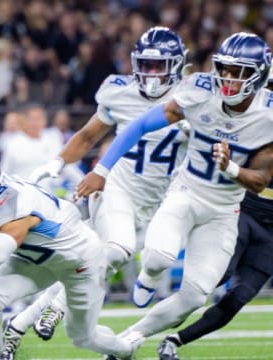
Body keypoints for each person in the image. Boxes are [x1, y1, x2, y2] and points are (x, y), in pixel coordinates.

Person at [75, 32, 273, 359]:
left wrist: (231, 169)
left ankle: (129, 338)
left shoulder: (267, 115)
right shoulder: (199, 91)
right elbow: (139, 126)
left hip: (225, 212)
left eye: (239, 72)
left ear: (259, 75)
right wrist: (103, 169)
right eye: (224, 69)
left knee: (195, 296)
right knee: (157, 258)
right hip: (186, 193)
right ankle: (148, 277)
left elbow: (261, 179)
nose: (228, 78)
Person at [2, 27, 190, 357]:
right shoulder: (119, 91)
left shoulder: (193, 97)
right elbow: (88, 137)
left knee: (95, 259)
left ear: (177, 65)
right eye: (145, 65)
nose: (151, 73)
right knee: (116, 250)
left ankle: (20, 321)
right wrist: (57, 162)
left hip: (163, 201)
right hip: (117, 187)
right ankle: (57, 306)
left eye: (159, 66)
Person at [0, 143, 144, 360]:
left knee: (82, 336)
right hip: (35, 259)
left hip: (79, 263)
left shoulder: (14, 206)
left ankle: (126, 348)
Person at [156, 72, 273, 360]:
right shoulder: (262, 117)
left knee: (240, 297)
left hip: (271, 234)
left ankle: (174, 340)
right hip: (247, 208)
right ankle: (142, 331)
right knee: (210, 280)